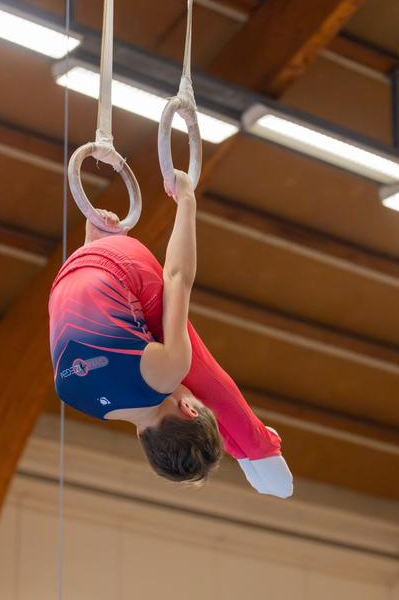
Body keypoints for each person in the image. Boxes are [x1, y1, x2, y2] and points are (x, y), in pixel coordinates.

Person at [49, 170, 293, 497]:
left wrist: (187, 200)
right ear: (141, 438)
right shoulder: (74, 399)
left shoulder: (163, 376)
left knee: (190, 360)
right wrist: (91, 244)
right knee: (117, 335)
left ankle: (258, 447)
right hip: (68, 273)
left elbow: (178, 276)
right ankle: (93, 243)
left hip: (121, 261)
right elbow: (77, 318)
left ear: (190, 409)